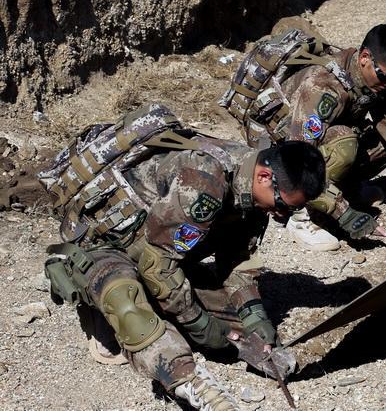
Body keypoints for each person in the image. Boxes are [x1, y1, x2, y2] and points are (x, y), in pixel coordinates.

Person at [40, 106, 325, 411]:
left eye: (291, 211)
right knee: (126, 301)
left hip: (160, 249)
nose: (281, 216)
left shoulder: (254, 192)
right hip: (107, 248)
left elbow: (238, 262)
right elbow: (156, 268)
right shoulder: (207, 181)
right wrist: (201, 324)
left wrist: (256, 321)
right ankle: (193, 384)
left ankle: (161, 320)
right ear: (265, 176)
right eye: (283, 206)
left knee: (237, 324)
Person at [226, 22, 386, 252]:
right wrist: (344, 213)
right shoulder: (322, 86)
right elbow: (295, 164)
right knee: (344, 141)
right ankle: (302, 215)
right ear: (365, 57)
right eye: (385, 77)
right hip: (289, 159)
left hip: (323, 146)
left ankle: (344, 189)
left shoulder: (383, 84)